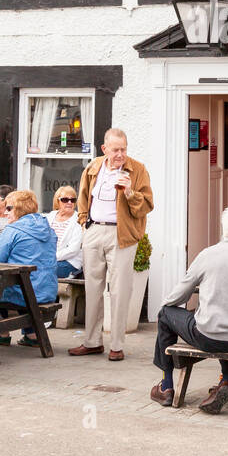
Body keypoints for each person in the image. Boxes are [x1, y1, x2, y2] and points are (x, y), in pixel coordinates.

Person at [150, 204, 228, 415]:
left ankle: (166, 385)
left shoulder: (208, 255)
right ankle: (225, 382)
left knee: (166, 314)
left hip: (211, 338)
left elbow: (180, 294)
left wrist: (168, 304)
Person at [71, 128, 153, 363]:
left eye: (123, 149)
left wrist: (129, 192)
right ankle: (92, 342)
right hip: (94, 230)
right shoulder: (94, 167)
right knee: (93, 288)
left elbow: (146, 205)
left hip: (122, 234)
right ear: (104, 149)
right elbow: (83, 197)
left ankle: (116, 345)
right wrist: (84, 222)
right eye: (115, 150)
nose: (120, 154)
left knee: (119, 290)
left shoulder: (137, 169)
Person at [0, 190, 59, 347]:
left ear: (18, 209)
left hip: (24, 292)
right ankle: (32, 335)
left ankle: (2, 333)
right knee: (24, 281)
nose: (6, 213)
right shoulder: (48, 229)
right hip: (47, 290)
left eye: (8, 208)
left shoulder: (13, 230)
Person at [45, 184, 84, 279]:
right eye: (65, 200)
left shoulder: (79, 219)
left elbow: (73, 250)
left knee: (42, 271)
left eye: (73, 200)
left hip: (69, 262)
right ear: (57, 201)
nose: (69, 202)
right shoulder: (50, 216)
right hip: (47, 259)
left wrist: (50, 258)